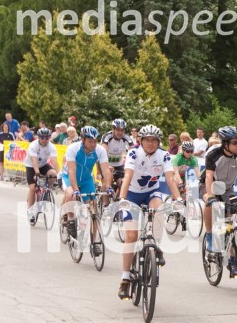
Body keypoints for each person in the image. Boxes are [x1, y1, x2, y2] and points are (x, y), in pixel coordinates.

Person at [117, 125, 183, 299]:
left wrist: (178, 199)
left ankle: (156, 246)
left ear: (158, 142)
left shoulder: (164, 155)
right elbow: (128, 176)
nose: (151, 143)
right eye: (147, 139)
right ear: (141, 140)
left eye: (154, 140)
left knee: (158, 209)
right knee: (131, 236)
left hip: (151, 192)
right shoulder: (133, 153)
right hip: (132, 194)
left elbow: (170, 179)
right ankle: (125, 278)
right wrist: (122, 199)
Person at [200, 126, 237, 274]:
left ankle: (232, 256)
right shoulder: (213, 154)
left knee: (232, 222)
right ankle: (209, 235)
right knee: (209, 201)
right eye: (235, 142)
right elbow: (208, 177)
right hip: (210, 185)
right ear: (225, 143)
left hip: (227, 189)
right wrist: (211, 196)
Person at [62, 126, 112, 242]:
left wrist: (108, 186)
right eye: (90, 141)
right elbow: (71, 171)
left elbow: (105, 170)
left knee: (94, 209)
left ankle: (95, 242)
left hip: (86, 179)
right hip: (69, 177)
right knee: (71, 194)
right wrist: (75, 189)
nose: (93, 144)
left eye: (95, 141)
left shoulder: (100, 150)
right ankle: (70, 219)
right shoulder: (73, 149)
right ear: (83, 140)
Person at [24, 128, 60, 223]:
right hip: (31, 166)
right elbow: (34, 160)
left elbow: (54, 161)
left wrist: (60, 174)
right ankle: (30, 211)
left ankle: (47, 189)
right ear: (39, 137)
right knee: (33, 188)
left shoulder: (51, 146)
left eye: (47, 138)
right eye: (42, 138)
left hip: (43, 165)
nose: (44, 140)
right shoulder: (33, 145)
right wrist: (37, 173)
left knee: (53, 173)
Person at [101, 118, 135, 193]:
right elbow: (103, 153)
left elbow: (134, 152)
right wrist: (107, 166)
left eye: (122, 130)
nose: (120, 132)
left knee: (123, 183)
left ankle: (118, 199)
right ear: (113, 129)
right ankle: (105, 204)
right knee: (107, 183)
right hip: (106, 164)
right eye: (118, 130)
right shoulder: (107, 137)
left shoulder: (127, 138)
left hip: (118, 165)